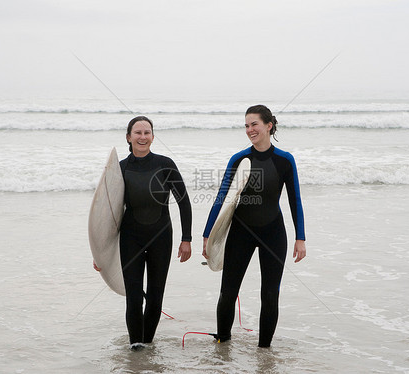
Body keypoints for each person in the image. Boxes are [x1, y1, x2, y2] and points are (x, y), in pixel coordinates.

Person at [202, 104, 306, 348]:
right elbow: (222, 198)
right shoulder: (239, 159)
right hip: (241, 232)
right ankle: (222, 342)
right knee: (228, 291)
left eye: (254, 124)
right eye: (246, 125)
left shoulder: (285, 160)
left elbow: (295, 200)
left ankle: (264, 352)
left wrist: (300, 237)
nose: (249, 129)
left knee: (270, 295)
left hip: (273, 232)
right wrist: (208, 235)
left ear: (269, 125)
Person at [94, 115, 192, 351]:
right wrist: (100, 252)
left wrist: (186, 239)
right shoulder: (120, 169)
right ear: (128, 137)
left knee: (156, 297)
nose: (142, 137)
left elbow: (184, 202)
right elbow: (107, 214)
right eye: (137, 133)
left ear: (153, 137)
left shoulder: (165, 164)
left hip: (161, 237)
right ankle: (136, 346)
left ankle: (147, 344)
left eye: (147, 132)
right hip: (131, 239)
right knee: (134, 298)